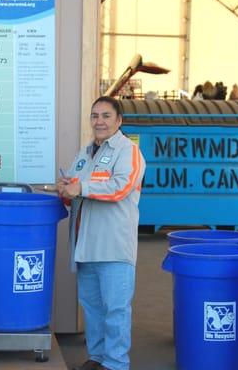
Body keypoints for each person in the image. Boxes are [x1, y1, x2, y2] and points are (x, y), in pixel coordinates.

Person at [57, 96, 146, 370]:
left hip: (114, 247)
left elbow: (120, 188)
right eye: (95, 116)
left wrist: (80, 188)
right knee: (93, 310)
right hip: (86, 247)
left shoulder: (127, 151)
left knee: (116, 311)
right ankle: (96, 358)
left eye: (106, 116)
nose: (99, 121)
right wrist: (65, 189)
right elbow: (74, 188)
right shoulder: (85, 154)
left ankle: (116, 364)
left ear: (118, 121)